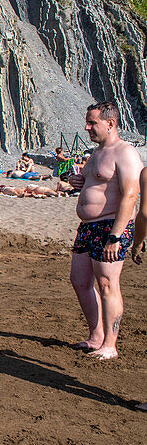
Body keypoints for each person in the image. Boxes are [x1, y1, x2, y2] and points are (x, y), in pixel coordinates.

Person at [67, 101, 142, 360]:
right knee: (80, 281)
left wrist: (116, 236)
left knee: (107, 284)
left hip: (111, 226)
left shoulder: (125, 152)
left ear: (110, 124)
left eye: (92, 123)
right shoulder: (96, 153)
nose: (87, 127)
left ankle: (110, 344)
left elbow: (131, 195)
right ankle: (96, 335)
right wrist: (77, 181)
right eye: (87, 122)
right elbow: (94, 181)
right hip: (87, 227)